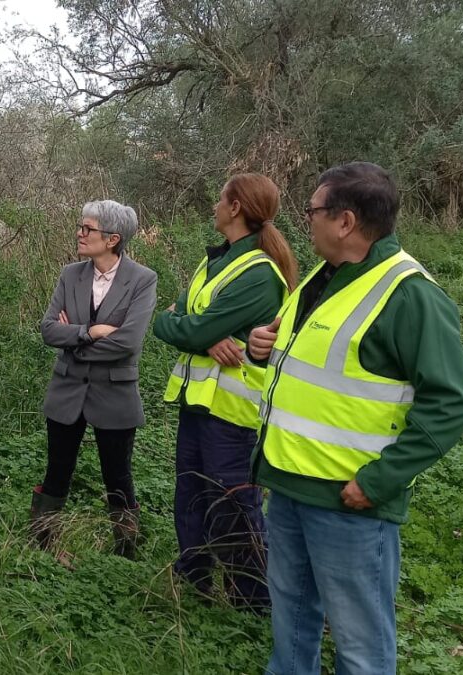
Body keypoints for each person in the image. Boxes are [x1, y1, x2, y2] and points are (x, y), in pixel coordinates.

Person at [248, 162, 463, 673]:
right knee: (291, 626)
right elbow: (320, 363)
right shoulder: (323, 276)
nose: (305, 220)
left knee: (361, 644)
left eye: (311, 210)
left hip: (347, 501)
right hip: (288, 485)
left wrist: (380, 481)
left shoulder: (409, 295)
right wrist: (263, 347)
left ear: (345, 221)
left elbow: (453, 401)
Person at [153, 173, 298, 609]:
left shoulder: (258, 273)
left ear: (236, 208)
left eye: (221, 200)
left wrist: (195, 329)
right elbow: (170, 319)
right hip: (197, 403)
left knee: (233, 502)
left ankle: (251, 598)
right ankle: (194, 578)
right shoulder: (215, 261)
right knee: (191, 493)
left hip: (232, 413)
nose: (215, 206)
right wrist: (194, 331)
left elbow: (193, 323)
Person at [31, 200, 158, 559]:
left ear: (113, 239)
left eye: (87, 229)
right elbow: (48, 330)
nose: (79, 233)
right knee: (57, 470)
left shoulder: (142, 280)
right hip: (67, 390)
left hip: (115, 393)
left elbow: (128, 342)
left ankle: (125, 555)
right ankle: (43, 545)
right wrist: (89, 332)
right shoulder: (71, 274)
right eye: (80, 226)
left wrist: (73, 339)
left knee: (118, 478)